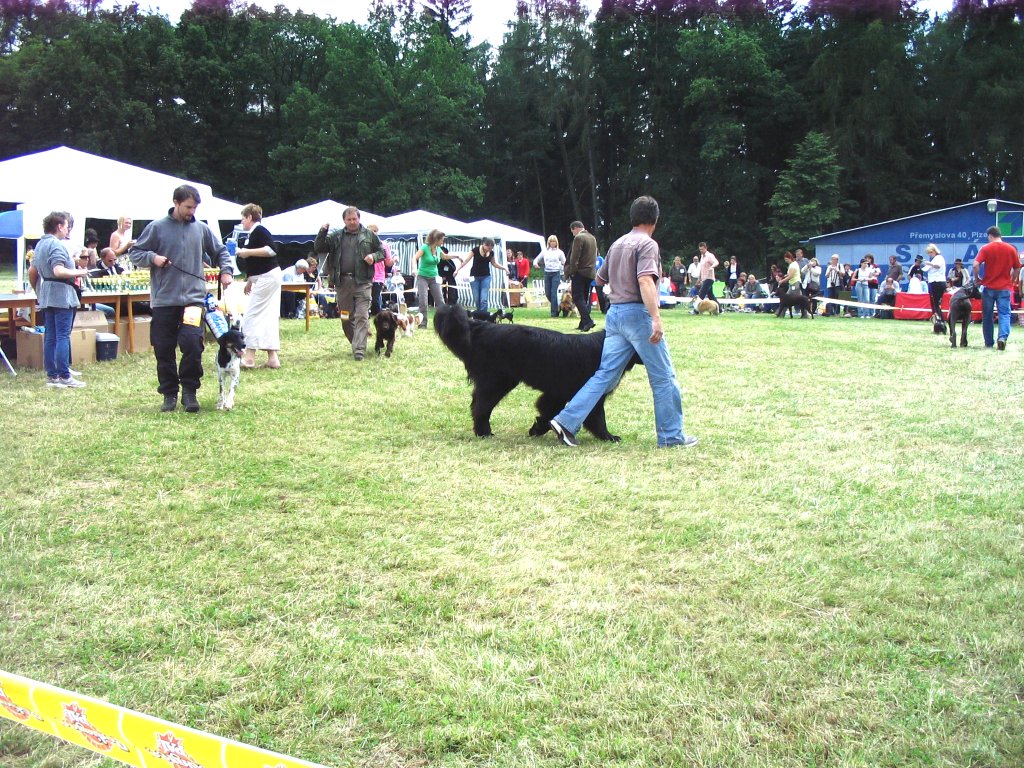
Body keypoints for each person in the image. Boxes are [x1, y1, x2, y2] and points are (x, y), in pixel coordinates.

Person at [549, 196, 695, 449]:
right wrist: (656, 318)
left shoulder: (617, 243)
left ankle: (566, 421)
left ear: (632, 217)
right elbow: (645, 281)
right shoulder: (647, 244)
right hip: (638, 315)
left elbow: (600, 280)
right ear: (655, 219)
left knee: (605, 374)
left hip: (615, 315)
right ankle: (672, 436)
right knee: (663, 377)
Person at [129, 184, 233, 412]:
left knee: (193, 344)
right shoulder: (157, 228)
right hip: (164, 300)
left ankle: (189, 391)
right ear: (175, 203)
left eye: (194, 208)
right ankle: (169, 394)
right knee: (163, 348)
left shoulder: (201, 229)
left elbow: (221, 251)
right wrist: (153, 258)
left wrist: (226, 270)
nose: (191, 212)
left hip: (193, 300)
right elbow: (134, 253)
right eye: (187, 207)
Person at [314, 206, 385, 360]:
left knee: (362, 316)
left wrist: (374, 256)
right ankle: (355, 342)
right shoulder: (336, 236)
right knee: (346, 318)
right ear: (344, 221)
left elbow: (382, 252)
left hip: (363, 282)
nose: (352, 222)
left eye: (355, 219)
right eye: (349, 219)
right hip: (342, 282)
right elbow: (319, 247)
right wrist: (322, 232)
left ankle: (359, 350)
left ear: (359, 219)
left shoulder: (369, 235)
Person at [35, 211, 89, 388]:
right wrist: (80, 271)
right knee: (62, 336)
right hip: (61, 294)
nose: (68, 229)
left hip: (47, 293)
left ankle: (53, 376)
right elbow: (58, 271)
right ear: (59, 227)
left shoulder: (40, 245)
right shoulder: (56, 245)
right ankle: (65, 376)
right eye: (66, 226)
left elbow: (34, 271)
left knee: (50, 337)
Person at [236, 203, 281, 369]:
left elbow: (271, 250)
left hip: (267, 277)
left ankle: (249, 357)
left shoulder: (260, 231)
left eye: (243, 219)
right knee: (268, 316)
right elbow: (258, 262)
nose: (242, 222)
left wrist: (245, 252)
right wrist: (250, 281)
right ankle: (272, 358)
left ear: (249, 217)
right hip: (267, 277)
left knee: (251, 315)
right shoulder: (254, 233)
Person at [972, 225, 1020, 350]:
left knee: (987, 315)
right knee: (1004, 314)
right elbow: (1017, 267)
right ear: (1000, 235)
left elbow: (976, 264)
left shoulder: (986, 248)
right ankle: (1002, 338)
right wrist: (1013, 279)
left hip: (988, 287)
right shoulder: (1011, 249)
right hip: (1004, 287)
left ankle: (988, 342)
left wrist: (977, 278)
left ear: (990, 236)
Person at [565, 221, 598, 331]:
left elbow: (574, 258)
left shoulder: (579, 238)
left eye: (572, 231)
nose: (573, 234)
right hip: (590, 273)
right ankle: (583, 324)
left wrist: (571, 271)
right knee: (584, 298)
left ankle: (588, 321)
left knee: (577, 297)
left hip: (580, 272)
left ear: (574, 228)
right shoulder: (592, 238)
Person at [456, 236, 501, 313]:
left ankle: (483, 316)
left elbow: (494, 264)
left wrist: (504, 268)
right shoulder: (475, 250)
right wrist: (457, 270)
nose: (489, 250)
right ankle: (479, 314)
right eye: (488, 247)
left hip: (486, 277)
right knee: (476, 298)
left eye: (491, 248)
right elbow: (466, 260)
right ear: (484, 245)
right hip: (474, 277)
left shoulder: (491, 253)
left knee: (484, 298)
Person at [415, 229, 448, 328]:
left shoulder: (438, 249)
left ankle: (443, 324)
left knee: (440, 301)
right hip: (422, 277)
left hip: (434, 277)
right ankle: (423, 323)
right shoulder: (424, 248)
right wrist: (414, 269)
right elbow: (414, 257)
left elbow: (445, 256)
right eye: (442, 239)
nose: (443, 241)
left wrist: (457, 256)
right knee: (423, 302)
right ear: (436, 239)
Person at [533, 235, 566, 317]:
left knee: (553, 292)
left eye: (554, 241)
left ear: (556, 243)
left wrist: (565, 271)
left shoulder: (560, 252)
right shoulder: (545, 251)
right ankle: (558, 306)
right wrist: (535, 264)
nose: (552, 243)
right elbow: (536, 260)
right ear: (548, 242)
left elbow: (564, 262)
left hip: (556, 273)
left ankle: (554, 313)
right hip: (547, 273)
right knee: (548, 293)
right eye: (551, 241)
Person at [367, 223, 394, 314]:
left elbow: (388, 263)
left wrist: (395, 260)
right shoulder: (364, 245)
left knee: (375, 299)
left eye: (375, 231)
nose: (373, 233)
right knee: (364, 298)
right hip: (365, 275)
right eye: (371, 231)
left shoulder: (384, 245)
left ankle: (377, 315)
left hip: (378, 276)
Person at [694, 241, 719, 313]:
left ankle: (696, 310)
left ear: (705, 248)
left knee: (701, 293)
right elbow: (701, 269)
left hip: (709, 278)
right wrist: (699, 278)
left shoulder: (710, 255)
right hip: (704, 278)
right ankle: (719, 309)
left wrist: (712, 267)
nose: (701, 251)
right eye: (700, 249)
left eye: (702, 249)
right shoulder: (702, 257)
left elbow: (716, 262)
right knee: (711, 296)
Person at [923, 243, 947, 319]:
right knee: (935, 304)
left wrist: (930, 264)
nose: (929, 254)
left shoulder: (939, 258)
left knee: (935, 303)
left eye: (930, 252)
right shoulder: (935, 259)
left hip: (936, 282)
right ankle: (937, 320)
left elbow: (938, 265)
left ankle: (939, 321)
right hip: (935, 282)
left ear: (934, 251)